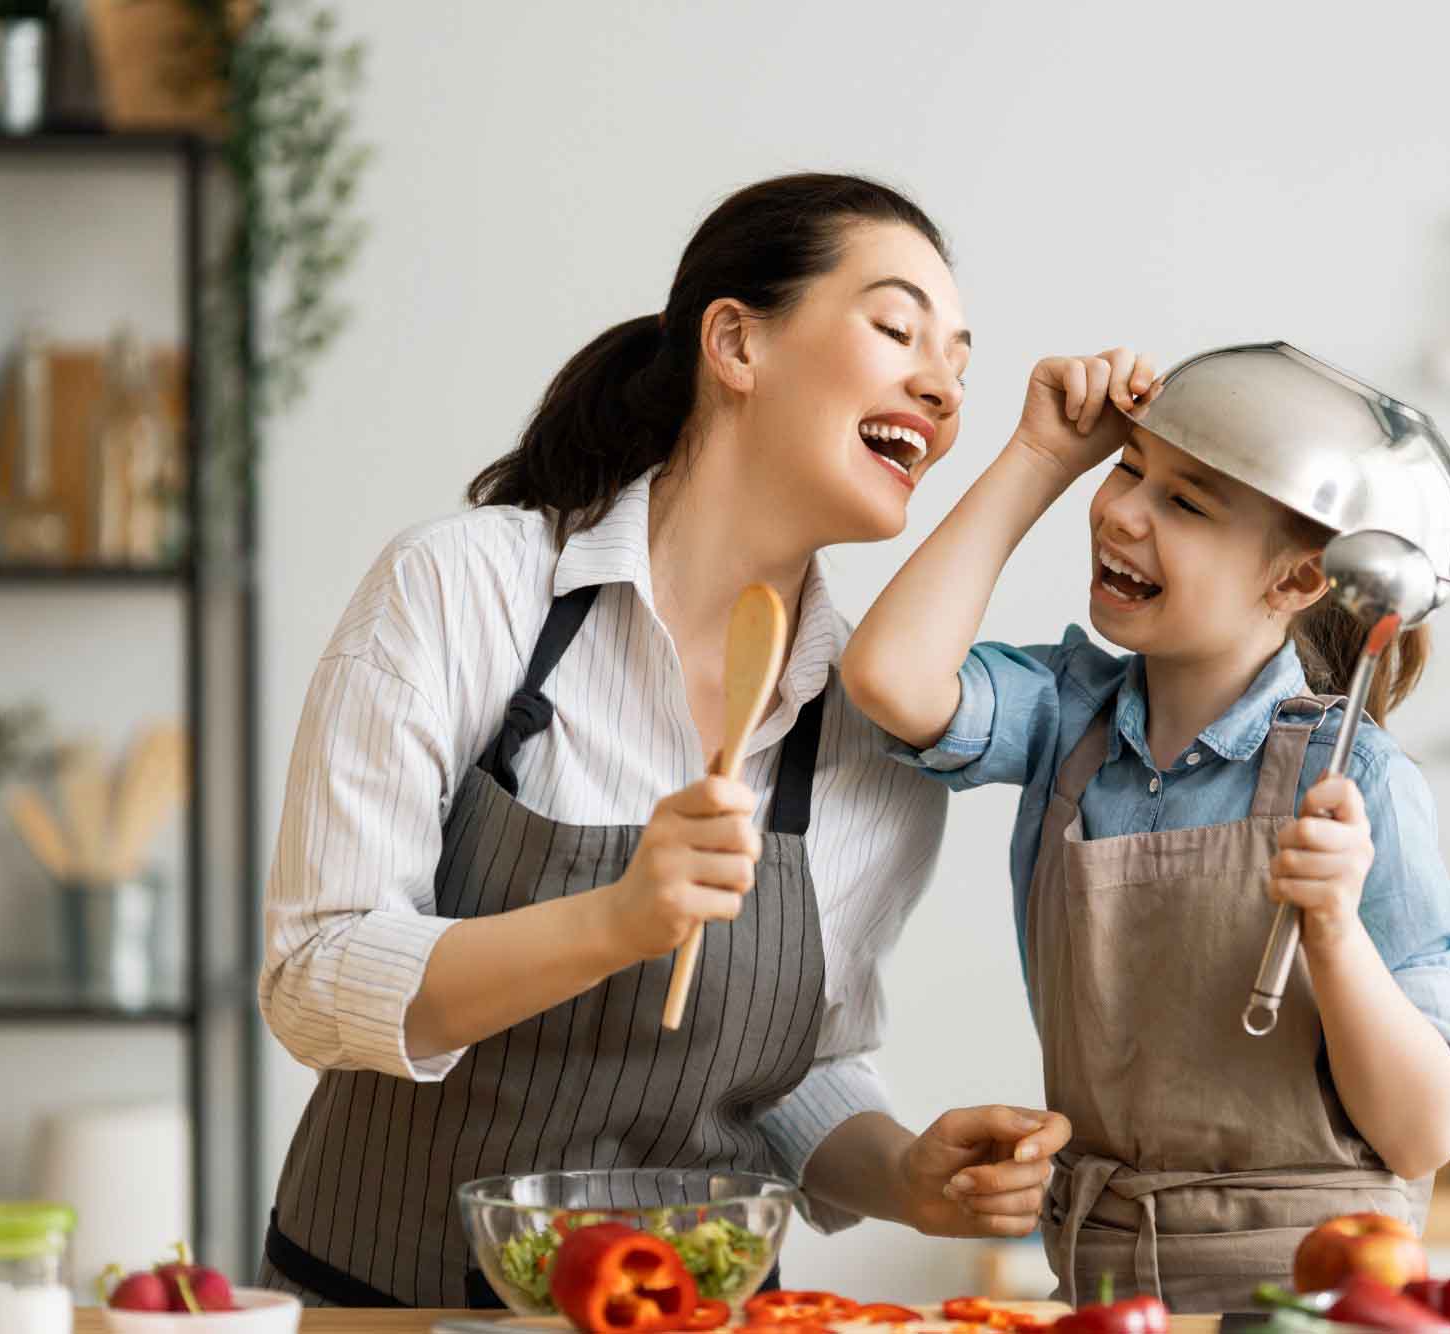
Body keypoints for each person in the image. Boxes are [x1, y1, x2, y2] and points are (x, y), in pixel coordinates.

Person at [257, 174, 1069, 1308]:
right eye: (896, 328)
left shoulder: (872, 733)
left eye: (961, 364)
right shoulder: (462, 590)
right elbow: (314, 977)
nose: (940, 385)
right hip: (387, 1302)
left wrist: (907, 1177)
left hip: (699, 1309)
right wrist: (612, 920)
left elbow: (793, 1069)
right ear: (735, 343)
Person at [841, 345, 1450, 1311]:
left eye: (1186, 503)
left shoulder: (1358, 781)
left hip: (1318, 1305)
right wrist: (1039, 458)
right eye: (1129, 467)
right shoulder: (1065, 716)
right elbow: (889, 680)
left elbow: (1423, 1135)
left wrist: (1335, 931)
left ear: (1301, 580)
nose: (1123, 511)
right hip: (1103, 1292)